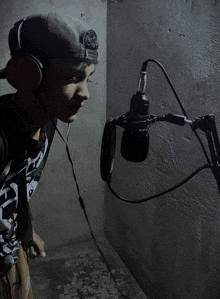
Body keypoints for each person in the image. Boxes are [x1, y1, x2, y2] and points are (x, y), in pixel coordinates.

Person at [0, 12, 99, 298]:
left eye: (88, 79)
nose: (85, 93)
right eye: (72, 78)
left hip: (11, 257)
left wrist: (25, 232)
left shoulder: (49, 122)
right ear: (27, 75)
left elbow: (17, 187)